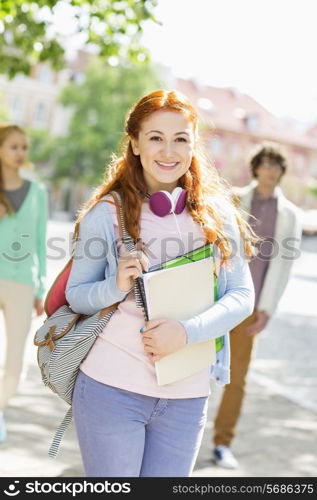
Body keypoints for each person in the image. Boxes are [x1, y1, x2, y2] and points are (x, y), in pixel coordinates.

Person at [66, 89, 256, 477]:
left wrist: (186, 333)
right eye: (155, 137)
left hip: (187, 399)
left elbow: (241, 296)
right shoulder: (107, 213)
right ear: (134, 143)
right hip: (110, 391)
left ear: (193, 144)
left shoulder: (217, 215)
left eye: (180, 139)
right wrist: (115, 285)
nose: (168, 151)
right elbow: (76, 296)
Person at [212, 144, 302, 469]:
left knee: (237, 379)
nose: (270, 170)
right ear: (256, 168)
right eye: (265, 164)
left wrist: (268, 310)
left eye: (276, 165)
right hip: (216, 299)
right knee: (192, 369)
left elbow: (284, 266)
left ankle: (222, 443)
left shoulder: (290, 214)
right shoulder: (234, 199)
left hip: (250, 308)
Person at [0, 124, 48, 443]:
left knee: (16, 359)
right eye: (14, 146)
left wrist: (41, 288)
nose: (21, 153)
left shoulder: (38, 192)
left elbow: (41, 243)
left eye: (24, 147)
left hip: (22, 285)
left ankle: (0, 408)